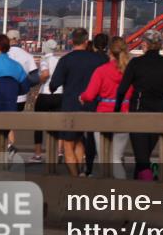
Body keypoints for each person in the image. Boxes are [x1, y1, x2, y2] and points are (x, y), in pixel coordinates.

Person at [115, 28, 163, 180]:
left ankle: (148, 186)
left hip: (139, 111)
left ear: (145, 44)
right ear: (160, 45)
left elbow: (122, 89)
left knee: (141, 157)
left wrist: (117, 108)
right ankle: (142, 182)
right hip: (161, 111)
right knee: (144, 155)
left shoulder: (136, 63)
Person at [50, 28, 107, 177]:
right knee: (81, 139)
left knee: (69, 143)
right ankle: (82, 172)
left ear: (71, 41)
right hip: (92, 106)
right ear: (86, 41)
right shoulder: (97, 60)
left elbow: (54, 84)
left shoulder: (65, 60)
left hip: (70, 106)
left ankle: (75, 178)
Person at [81, 36, 133, 180]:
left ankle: (106, 194)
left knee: (104, 158)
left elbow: (90, 95)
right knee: (116, 158)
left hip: (103, 114)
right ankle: (121, 193)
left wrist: (82, 97)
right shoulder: (130, 70)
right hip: (124, 114)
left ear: (109, 51)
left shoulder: (101, 70)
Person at [0, 34, 30, 166]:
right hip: (9, 107)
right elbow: (25, 87)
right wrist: (14, 92)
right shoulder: (16, 66)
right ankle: (4, 162)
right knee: (4, 136)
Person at [5, 29, 39, 158]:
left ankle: (9, 146)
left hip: (5, 94)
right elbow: (35, 78)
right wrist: (24, 84)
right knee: (11, 121)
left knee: (5, 122)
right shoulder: (26, 55)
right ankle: (10, 146)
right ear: (18, 39)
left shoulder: (3, 55)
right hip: (21, 96)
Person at [82, 33, 111, 174]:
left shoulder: (88, 60)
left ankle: (88, 167)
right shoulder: (108, 61)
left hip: (91, 100)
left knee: (90, 138)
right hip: (107, 101)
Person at [31, 38, 63, 163]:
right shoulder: (59, 61)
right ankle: (59, 152)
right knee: (58, 124)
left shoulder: (45, 60)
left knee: (38, 124)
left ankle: (38, 154)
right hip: (59, 94)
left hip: (46, 93)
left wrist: (40, 81)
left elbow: (45, 73)